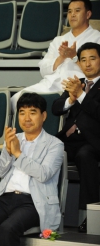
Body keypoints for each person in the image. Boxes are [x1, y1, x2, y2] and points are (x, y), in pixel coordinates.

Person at [0, 93, 64, 246]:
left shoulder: (55, 144)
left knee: (8, 228)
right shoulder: (14, 138)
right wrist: (8, 151)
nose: (27, 118)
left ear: (43, 116)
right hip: (6, 198)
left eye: (32, 112)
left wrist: (18, 154)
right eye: (22, 113)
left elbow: (44, 174)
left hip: (33, 201)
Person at [11, 0, 100, 111]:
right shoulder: (58, 40)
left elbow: (95, 71)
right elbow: (43, 69)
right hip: (49, 84)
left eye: (77, 11)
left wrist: (74, 57)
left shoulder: (97, 37)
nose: (72, 15)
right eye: (69, 11)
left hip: (74, 87)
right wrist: (61, 57)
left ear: (88, 14)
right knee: (17, 98)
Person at [52, 42, 100, 233]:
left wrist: (80, 96)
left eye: (92, 58)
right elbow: (56, 108)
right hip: (70, 140)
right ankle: (41, 208)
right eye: (83, 60)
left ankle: (91, 215)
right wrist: (70, 99)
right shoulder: (77, 82)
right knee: (48, 150)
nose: (87, 64)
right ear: (79, 63)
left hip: (94, 142)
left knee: (85, 155)